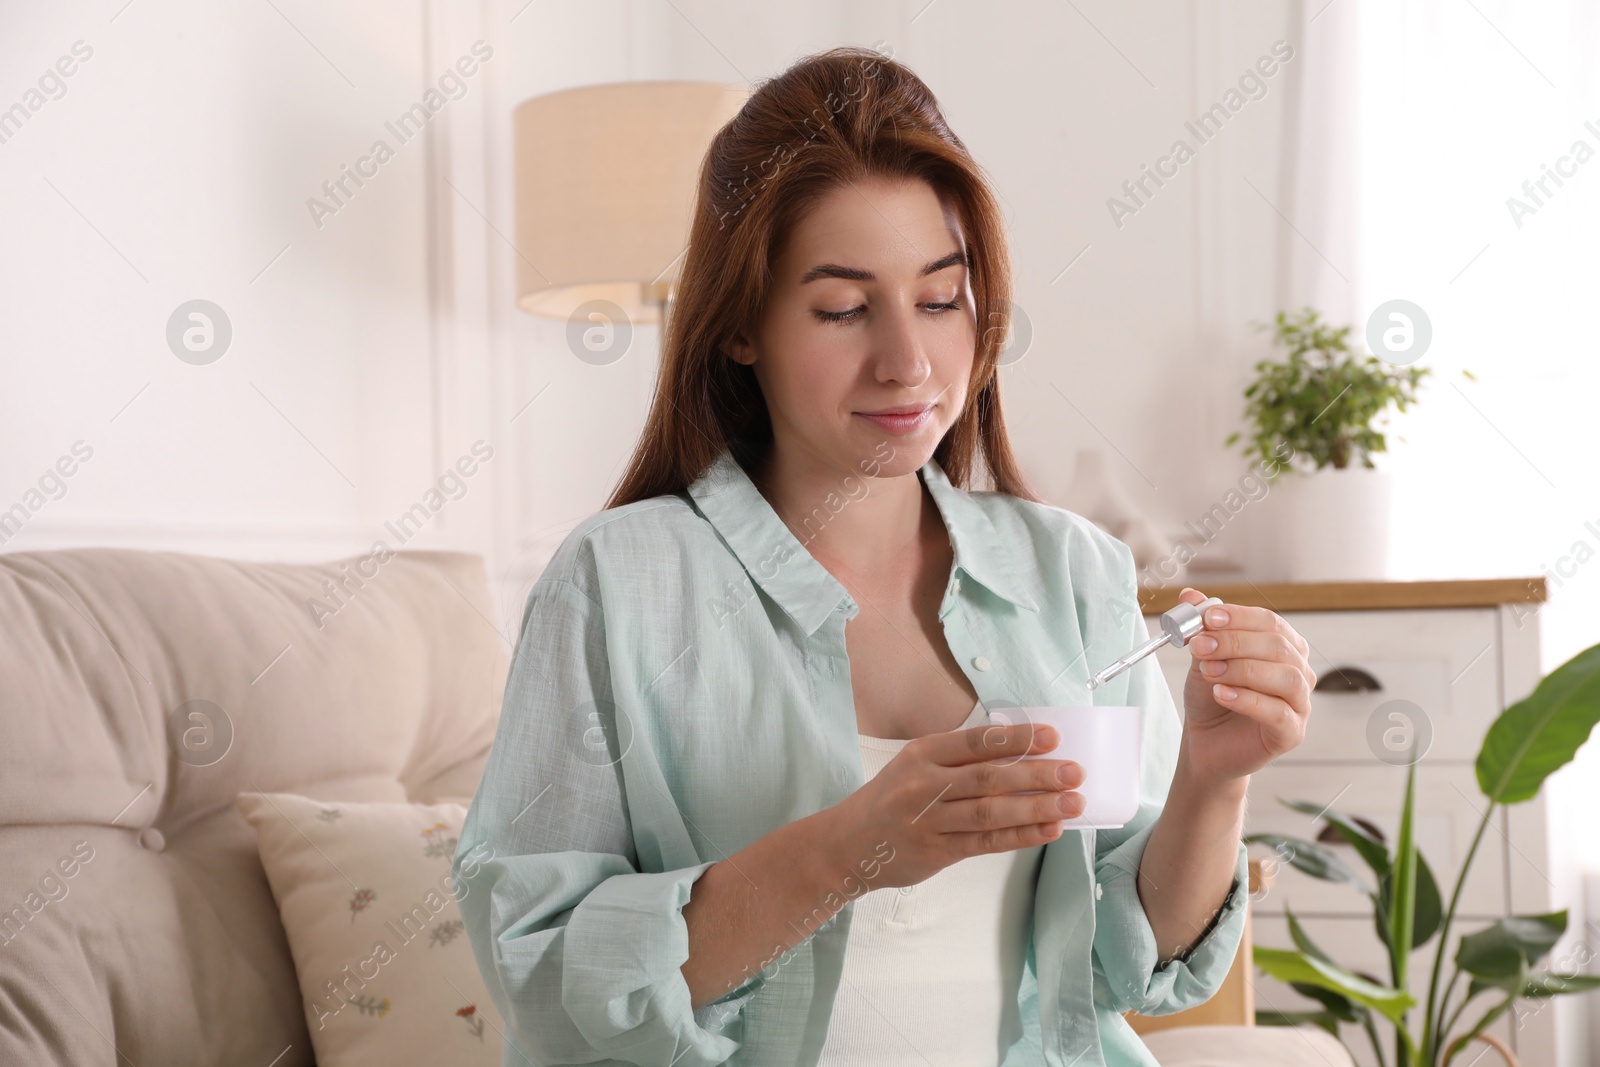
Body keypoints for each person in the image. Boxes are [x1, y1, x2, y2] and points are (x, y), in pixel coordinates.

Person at [453, 43, 1315, 1067]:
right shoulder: (617, 583)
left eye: (940, 298)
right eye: (843, 307)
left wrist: (1214, 779)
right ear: (740, 326)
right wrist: (846, 848)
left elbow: (1133, 964)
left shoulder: (1071, 572)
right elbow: (546, 978)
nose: (907, 362)